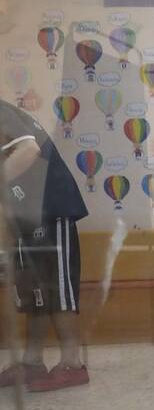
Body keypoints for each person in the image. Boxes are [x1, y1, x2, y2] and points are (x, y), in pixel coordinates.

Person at [0, 99, 90, 391]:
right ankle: (32, 362)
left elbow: (29, 150)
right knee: (35, 290)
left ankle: (72, 363)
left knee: (57, 288)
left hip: (51, 208)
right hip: (27, 213)